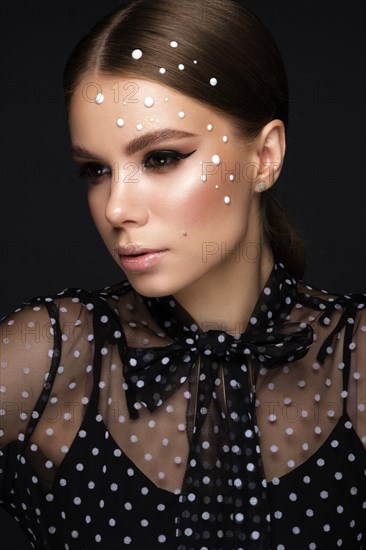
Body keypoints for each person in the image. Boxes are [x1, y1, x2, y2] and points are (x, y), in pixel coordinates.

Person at [0, 0, 365, 548]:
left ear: (263, 157)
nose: (117, 207)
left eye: (162, 158)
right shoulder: (50, 356)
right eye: (96, 170)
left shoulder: (357, 357)